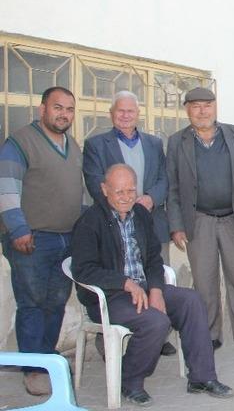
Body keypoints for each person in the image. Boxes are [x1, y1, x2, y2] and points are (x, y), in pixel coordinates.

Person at [71, 164, 234, 407]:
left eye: (131, 191)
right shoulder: (90, 221)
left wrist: (156, 289)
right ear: (105, 190)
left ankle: (202, 377)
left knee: (191, 300)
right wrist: (125, 283)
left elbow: (153, 258)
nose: (127, 198)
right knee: (155, 322)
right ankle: (130, 380)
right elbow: (83, 269)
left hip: (145, 289)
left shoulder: (141, 215)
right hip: (110, 298)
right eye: (119, 192)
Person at [166, 87, 234, 357]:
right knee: (204, 282)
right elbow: (173, 187)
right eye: (195, 106)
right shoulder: (177, 142)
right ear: (187, 109)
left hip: (233, 219)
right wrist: (176, 225)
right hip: (199, 221)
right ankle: (209, 335)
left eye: (207, 105)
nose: (202, 111)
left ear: (215, 107)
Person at [0, 86, 83, 396]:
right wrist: (18, 229)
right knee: (32, 304)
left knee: (56, 303)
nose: (64, 114)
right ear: (42, 109)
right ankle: (33, 369)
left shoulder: (72, 146)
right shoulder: (20, 143)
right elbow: (6, 188)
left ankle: (47, 358)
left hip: (66, 239)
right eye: (57, 107)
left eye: (69, 109)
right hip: (31, 240)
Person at [82, 90, 176, 357]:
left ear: (138, 114)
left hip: (150, 221)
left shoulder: (154, 143)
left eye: (130, 111)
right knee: (120, 279)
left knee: (154, 275)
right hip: (114, 225)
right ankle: (113, 332)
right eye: (120, 111)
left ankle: (159, 332)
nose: (125, 115)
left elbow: (163, 179)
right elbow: (94, 182)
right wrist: (124, 202)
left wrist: (150, 199)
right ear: (112, 115)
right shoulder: (97, 145)